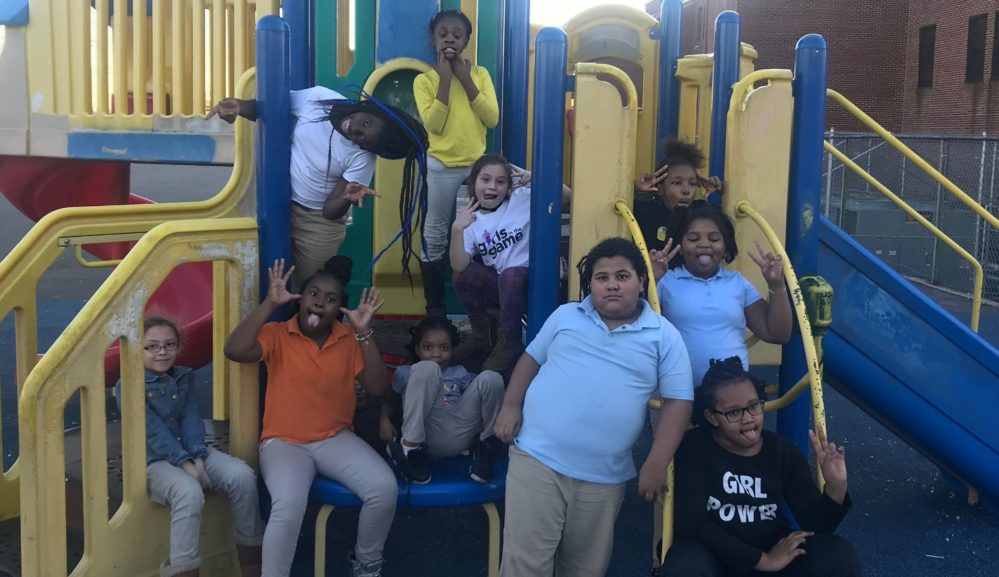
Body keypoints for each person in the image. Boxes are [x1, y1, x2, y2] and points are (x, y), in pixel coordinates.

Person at [493, 237, 694, 577]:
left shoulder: (664, 335)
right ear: (590, 286)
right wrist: (510, 406)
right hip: (536, 460)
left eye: (622, 276)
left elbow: (678, 402)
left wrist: (656, 463)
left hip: (603, 478)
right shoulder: (566, 316)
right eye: (601, 278)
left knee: (585, 569)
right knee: (524, 566)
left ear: (642, 281)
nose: (612, 285)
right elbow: (530, 359)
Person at [223, 257, 396, 577]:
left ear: (339, 309)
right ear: (301, 298)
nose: (320, 302)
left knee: (384, 488)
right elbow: (234, 350)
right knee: (287, 507)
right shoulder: (278, 333)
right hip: (283, 444)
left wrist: (364, 332)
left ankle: (366, 564)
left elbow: (376, 388)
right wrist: (268, 304)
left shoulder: (348, 338)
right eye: (313, 294)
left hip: (334, 438)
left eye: (331, 300)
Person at [207, 89, 428, 288]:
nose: (356, 129)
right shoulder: (320, 100)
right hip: (276, 203)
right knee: (259, 275)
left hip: (317, 222)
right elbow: (271, 107)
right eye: (366, 122)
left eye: (363, 138)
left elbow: (329, 211)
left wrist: (345, 198)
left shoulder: (362, 157)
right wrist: (239, 106)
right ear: (371, 110)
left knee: (310, 288)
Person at [662, 357, 860, 577]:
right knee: (684, 563)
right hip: (716, 557)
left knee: (838, 554)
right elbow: (693, 524)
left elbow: (816, 524)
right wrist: (762, 560)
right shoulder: (694, 447)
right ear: (712, 417)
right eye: (734, 412)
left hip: (771, 550)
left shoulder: (782, 451)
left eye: (754, 406)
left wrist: (836, 488)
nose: (748, 418)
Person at [116, 317, 264, 577]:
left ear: (178, 346)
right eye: (151, 346)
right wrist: (185, 464)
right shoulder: (127, 385)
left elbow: (190, 417)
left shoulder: (184, 376)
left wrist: (197, 457)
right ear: (137, 349)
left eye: (168, 344)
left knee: (242, 476)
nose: (161, 352)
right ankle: (184, 570)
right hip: (154, 461)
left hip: (192, 450)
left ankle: (252, 564)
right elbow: (152, 431)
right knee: (189, 491)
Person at [413, 9, 499, 317]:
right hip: (440, 169)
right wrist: (446, 81)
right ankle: (434, 309)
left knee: (478, 231)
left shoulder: (480, 75)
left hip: (475, 170)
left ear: (466, 41)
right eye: (443, 33)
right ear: (433, 39)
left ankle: (480, 308)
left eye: (457, 34)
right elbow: (434, 126)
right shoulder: (424, 81)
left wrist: (465, 78)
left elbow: (491, 118)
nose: (450, 37)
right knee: (435, 234)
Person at [449, 154, 570, 372]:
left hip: (535, 282)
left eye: (500, 181)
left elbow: (567, 197)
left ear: (508, 186)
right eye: (485, 180)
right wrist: (457, 229)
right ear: (474, 181)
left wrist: (538, 178)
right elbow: (459, 267)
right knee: (463, 274)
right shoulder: (471, 219)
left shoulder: (522, 198)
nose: (492, 187)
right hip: (505, 288)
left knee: (512, 274)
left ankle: (510, 342)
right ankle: (481, 337)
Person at [651, 202, 792, 386]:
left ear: (725, 247)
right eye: (693, 239)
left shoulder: (738, 283)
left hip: (732, 400)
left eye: (714, 238)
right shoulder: (665, 282)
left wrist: (777, 284)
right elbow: (639, 329)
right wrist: (650, 281)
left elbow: (777, 334)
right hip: (679, 397)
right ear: (680, 246)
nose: (704, 244)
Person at [380, 316, 506, 484]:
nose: (436, 354)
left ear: (452, 351)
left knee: (492, 378)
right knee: (428, 368)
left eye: (444, 348)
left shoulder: (460, 373)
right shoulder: (405, 373)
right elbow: (390, 402)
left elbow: (484, 396)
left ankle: (486, 450)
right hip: (427, 435)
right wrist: (384, 419)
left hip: (461, 432)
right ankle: (409, 451)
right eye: (427, 347)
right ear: (417, 349)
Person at [633, 139, 722, 253]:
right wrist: (635, 187)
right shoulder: (646, 210)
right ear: (660, 189)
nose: (686, 190)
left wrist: (722, 189)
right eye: (677, 183)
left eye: (692, 183)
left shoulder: (700, 212)